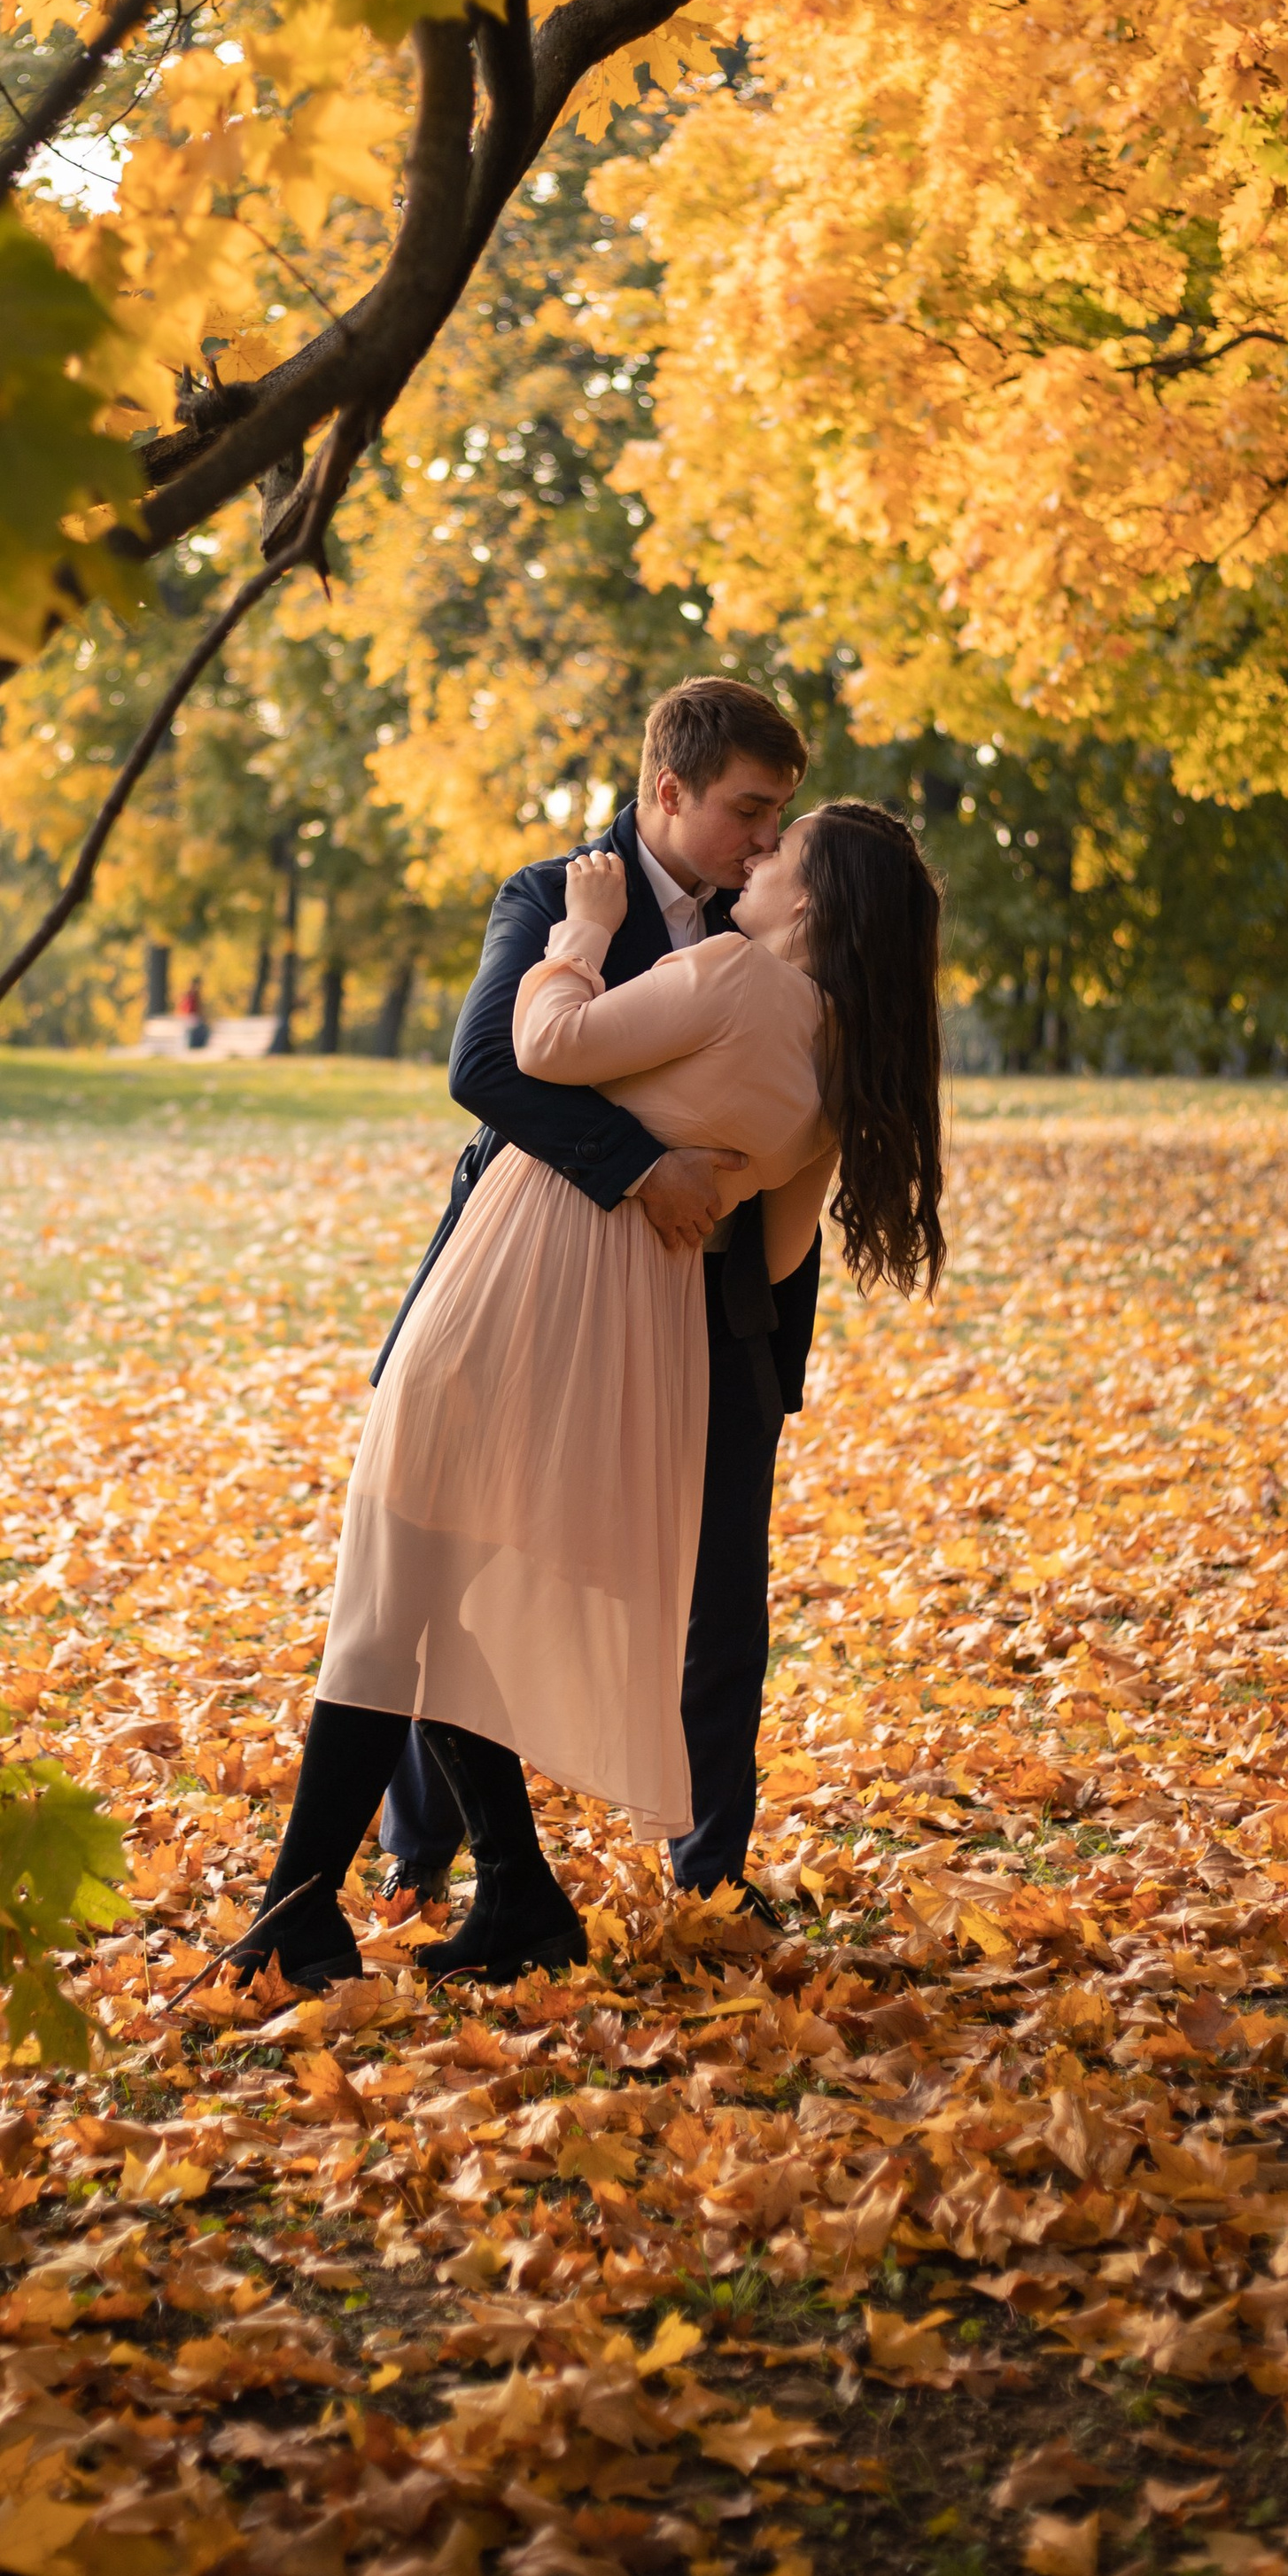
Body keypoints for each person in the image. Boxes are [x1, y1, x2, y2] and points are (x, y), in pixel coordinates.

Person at [228, 782, 946, 1991]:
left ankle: (310, 1911)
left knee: (396, 1571)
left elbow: (539, 1045)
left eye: (785, 850)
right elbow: (771, 1254)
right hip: (641, 1328)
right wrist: (697, 1165)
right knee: (429, 1588)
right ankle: (506, 1890)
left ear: (811, 901)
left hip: (523, 1279)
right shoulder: (835, 1073)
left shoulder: (729, 972)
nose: (759, 859)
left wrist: (580, 939)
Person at [385, 679, 811, 1911]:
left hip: (722, 1299)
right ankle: (423, 1855)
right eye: (748, 810)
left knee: (723, 1590)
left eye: (782, 814)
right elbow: (485, 1067)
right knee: (464, 1563)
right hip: (548, 1293)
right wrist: (642, 1172)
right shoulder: (555, 895)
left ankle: (711, 1876)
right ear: (667, 791)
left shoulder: (776, 916)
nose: (769, 841)